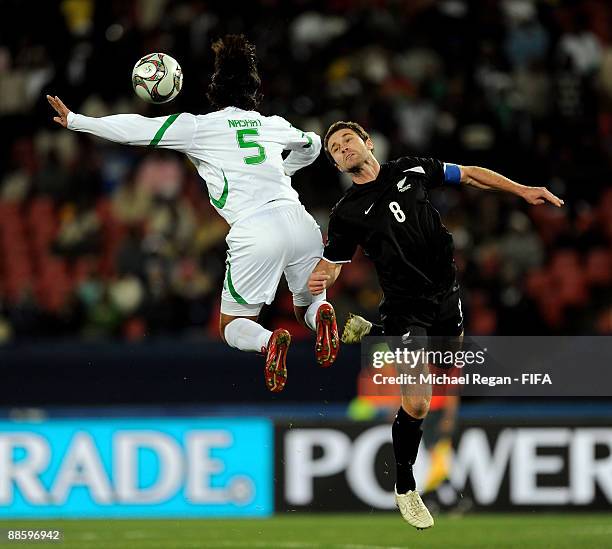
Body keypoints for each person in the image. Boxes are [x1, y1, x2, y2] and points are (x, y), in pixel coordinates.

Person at [47, 34, 340, 392]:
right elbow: (311, 142)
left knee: (232, 325)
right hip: (300, 221)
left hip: (255, 228)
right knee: (305, 306)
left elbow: (138, 131)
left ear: (214, 90)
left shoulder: (200, 127)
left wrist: (78, 121)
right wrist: (287, 170)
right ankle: (322, 314)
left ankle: (268, 342)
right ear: (255, 90)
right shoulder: (273, 124)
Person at [308, 121, 563, 528]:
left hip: (445, 295)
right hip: (404, 308)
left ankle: (373, 332)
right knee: (419, 401)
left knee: (449, 364)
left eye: (347, 140)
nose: (342, 149)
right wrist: (320, 277)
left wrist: (522, 190)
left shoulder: (411, 169)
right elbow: (335, 265)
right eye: (334, 149)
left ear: (368, 142)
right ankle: (406, 487)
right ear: (336, 164)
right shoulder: (346, 213)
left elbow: (471, 174)